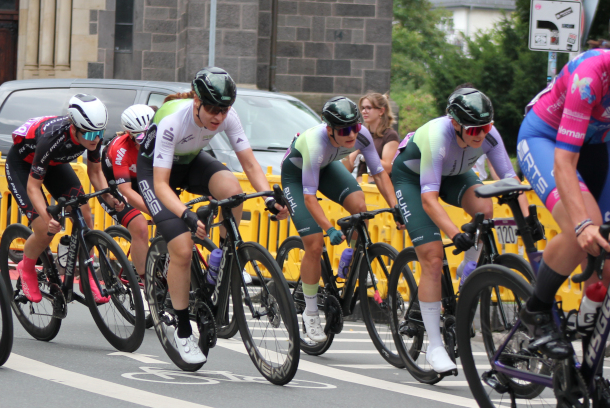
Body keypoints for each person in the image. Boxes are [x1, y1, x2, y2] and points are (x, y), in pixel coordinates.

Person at [137, 67, 289, 364]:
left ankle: (222, 258)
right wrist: (186, 215)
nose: (218, 117)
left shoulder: (228, 118)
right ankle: (182, 332)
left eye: (224, 109)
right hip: (155, 173)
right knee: (182, 246)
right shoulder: (172, 122)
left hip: (191, 161)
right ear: (196, 101)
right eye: (211, 109)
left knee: (232, 190)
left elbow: (250, 164)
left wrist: (270, 197)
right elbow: (160, 185)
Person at [392, 86, 534, 373]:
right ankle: (434, 347)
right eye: (473, 130)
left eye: (486, 127)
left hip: (454, 173)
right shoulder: (437, 137)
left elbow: (509, 180)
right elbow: (429, 199)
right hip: (413, 178)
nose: (481, 135)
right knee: (432, 257)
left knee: (485, 209)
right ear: (455, 123)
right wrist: (456, 234)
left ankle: (469, 270)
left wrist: (529, 218)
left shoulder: (486, 135)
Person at [280, 97, 401, 342]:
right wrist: (328, 228)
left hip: (327, 167)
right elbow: (310, 198)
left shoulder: (362, 134)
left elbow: (379, 173)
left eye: (355, 128)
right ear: (329, 130)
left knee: (360, 208)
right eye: (345, 131)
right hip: (296, 175)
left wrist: (396, 207)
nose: (352, 135)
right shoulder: (316, 142)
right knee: (314, 243)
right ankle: (310, 312)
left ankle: (350, 261)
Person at [517, 48, 610, 358]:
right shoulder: (590, 75)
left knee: (607, 260)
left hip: (598, 148)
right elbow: (564, 162)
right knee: (581, 229)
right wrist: (582, 222)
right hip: (547, 139)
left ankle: (588, 337)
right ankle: (536, 310)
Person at [6, 94, 124, 303]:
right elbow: (33, 187)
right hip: (23, 167)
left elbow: (95, 173)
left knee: (86, 217)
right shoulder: (52, 139)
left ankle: (86, 273)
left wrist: (110, 196)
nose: (96, 139)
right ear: (74, 128)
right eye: (90, 134)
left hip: (54, 165)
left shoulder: (91, 134)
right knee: (44, 228)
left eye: (100, 132)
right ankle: (27, 266)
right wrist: (47, 217)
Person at [100, 104, 155, 275]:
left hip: (141, 178)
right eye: (140, 140)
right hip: (115, 186)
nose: (146, 145)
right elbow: (127, 192)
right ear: (130, 136)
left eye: (151, 138)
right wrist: (156, 213)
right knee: (140, 227)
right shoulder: (121, 149)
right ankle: (147, 283)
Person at [344, 92, 399, 181]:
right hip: (359, 187)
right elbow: (347, 169)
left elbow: (388, 168)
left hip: (376, 189)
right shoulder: (361, 134)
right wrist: (344, 154)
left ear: (381, 111)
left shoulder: (390, 135)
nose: (364, 111)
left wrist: (366, 156)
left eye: (368, 108)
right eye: (362, 108)